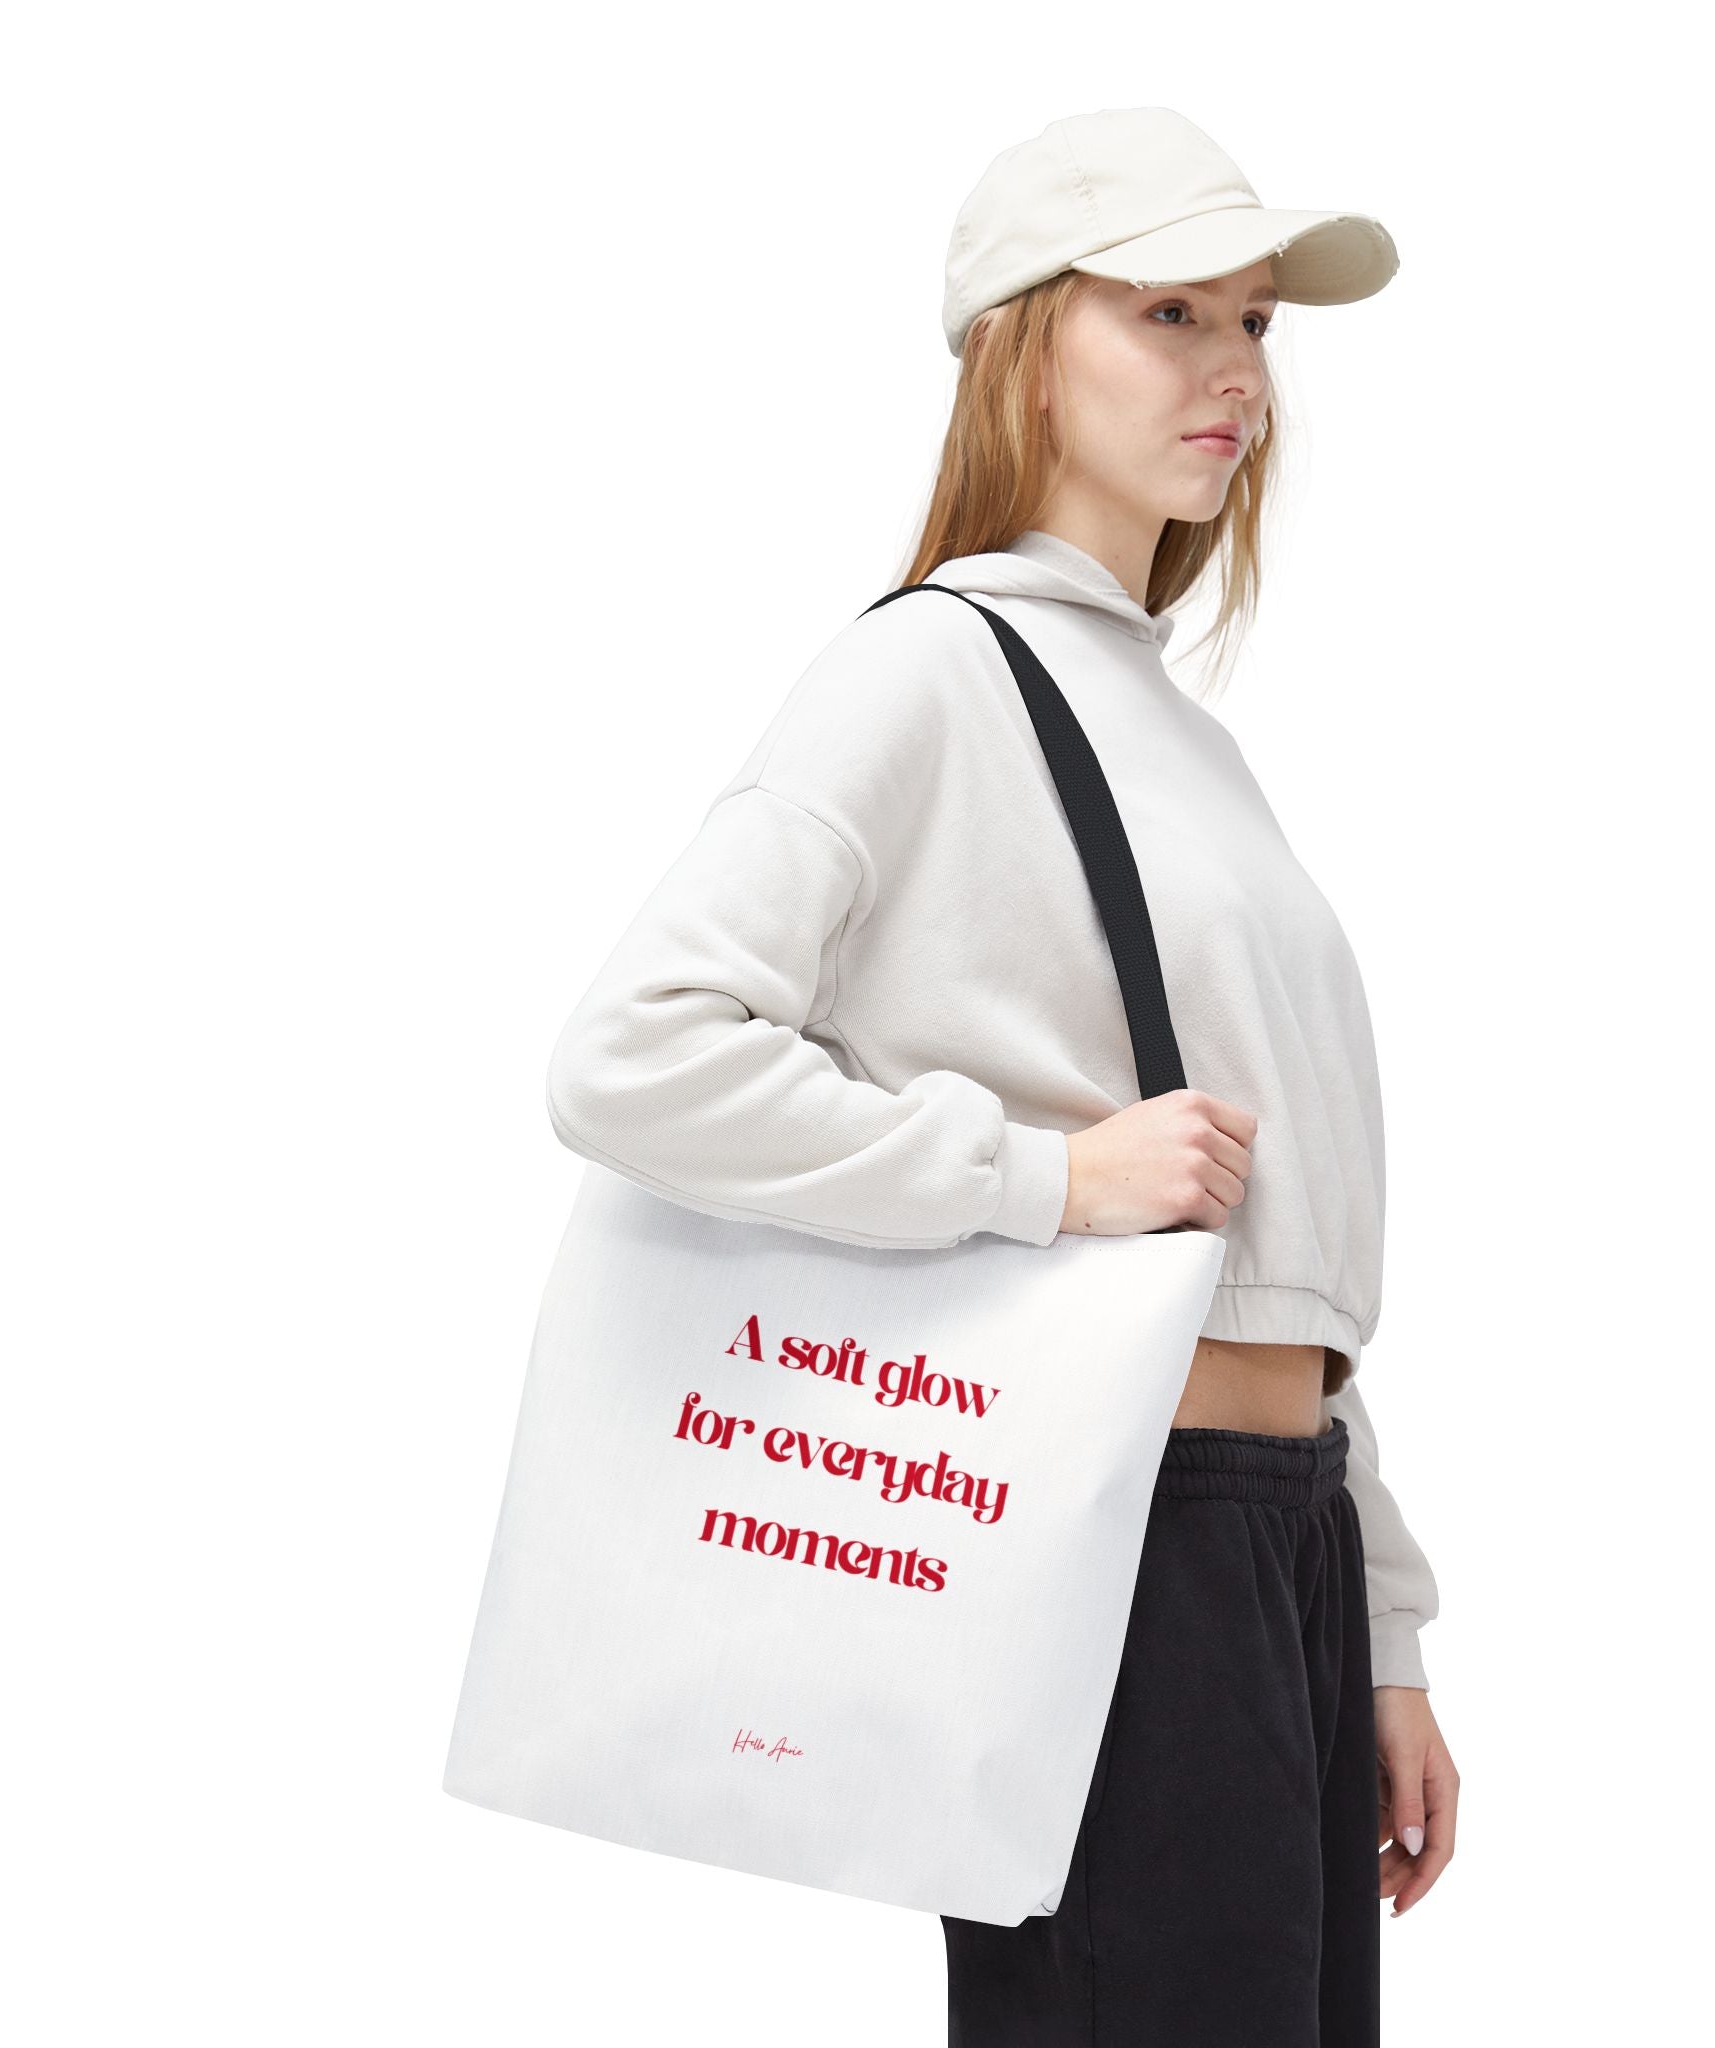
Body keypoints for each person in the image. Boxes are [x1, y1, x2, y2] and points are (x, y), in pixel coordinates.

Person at [542, 105, 1458, 2046]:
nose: (1232, 370)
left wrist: (1373, 1625)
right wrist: (1041, 1180)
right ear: (1020, 349)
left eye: (1257, 325)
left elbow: (1279, 1245)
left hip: (1262, 1533)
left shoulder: (1178, 733)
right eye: (1169, 312)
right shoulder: (927, 675)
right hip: (1111, 1533)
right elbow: (634, 1057)